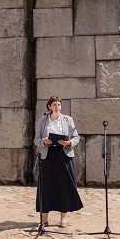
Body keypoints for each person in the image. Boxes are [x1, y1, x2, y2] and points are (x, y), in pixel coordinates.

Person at [34, 96, 83, 227]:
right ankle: (44, 218)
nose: (57, 107)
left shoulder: (68, 120)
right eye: (54, 104)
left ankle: (64, 218)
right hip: (48, 156)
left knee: (64, 187)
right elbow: (36, 139)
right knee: (46, 186)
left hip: (64, 156)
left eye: (59, 105)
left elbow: (76, 137)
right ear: (49, 106)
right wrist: (44, 141)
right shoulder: (42, 121)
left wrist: (69, 143)